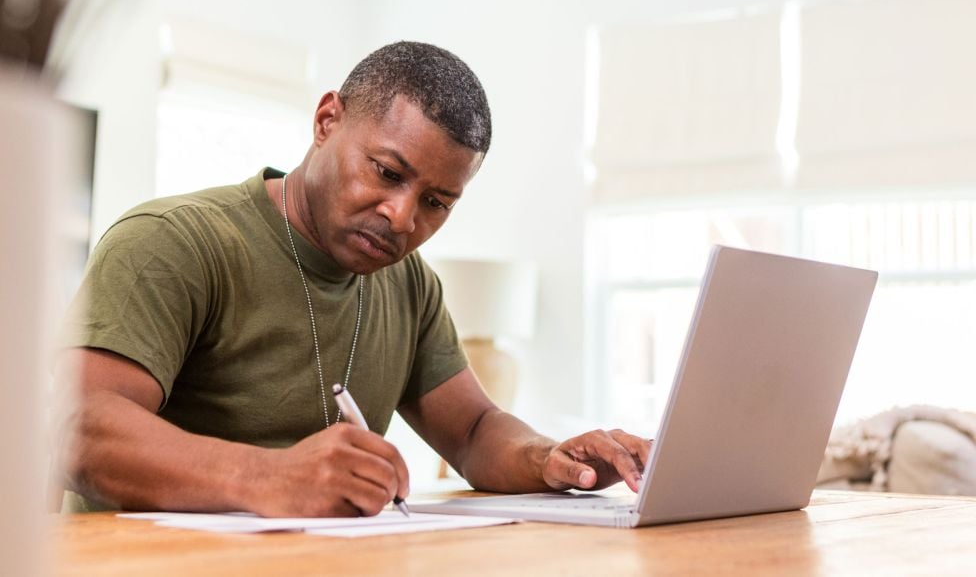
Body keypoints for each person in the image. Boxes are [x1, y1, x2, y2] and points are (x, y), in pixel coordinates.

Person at [56, 41, 651, 517]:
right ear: (326, 120)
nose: (402, 216)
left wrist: (549, 458)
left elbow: (472, 431)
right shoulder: (174, 242)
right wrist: (271, 476)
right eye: (388, 172)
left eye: (437, 202)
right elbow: (78, 428)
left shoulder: (408, 282)